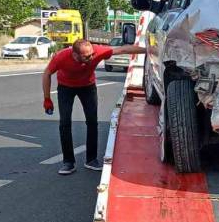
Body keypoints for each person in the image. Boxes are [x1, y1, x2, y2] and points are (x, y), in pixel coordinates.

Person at [42, 38, 145, 175]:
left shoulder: (97, 51)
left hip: (87, 87)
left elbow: (124, 49)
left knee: (92, 122)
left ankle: (91, 159)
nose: (91, 58)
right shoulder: (61, 57)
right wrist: (47, 98)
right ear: (75, 55)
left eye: (92, 54)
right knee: (65, 123)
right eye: (87, 56)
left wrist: (149, 50)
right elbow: (47, 74)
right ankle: (68, 162)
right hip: (66, 87)